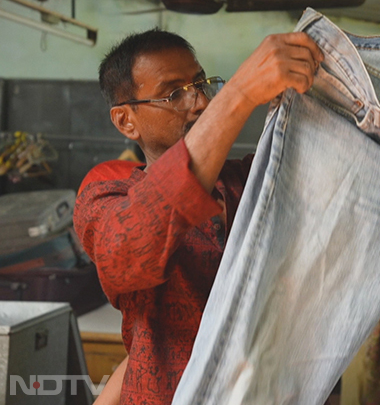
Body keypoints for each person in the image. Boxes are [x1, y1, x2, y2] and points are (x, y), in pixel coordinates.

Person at [74, 28, 323, 405]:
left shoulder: (251, 181)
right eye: (175, 93)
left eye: (201, 83)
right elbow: (127, 252)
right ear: (126, 121)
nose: (202, 102)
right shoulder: (107, 197)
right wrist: (239, 94)